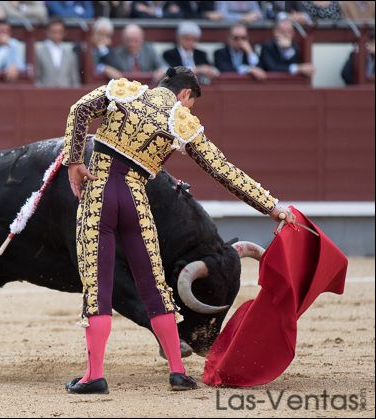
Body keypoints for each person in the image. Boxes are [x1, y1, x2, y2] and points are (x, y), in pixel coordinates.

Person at [61, 66, 295, 394]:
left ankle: (94, 375)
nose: (188, 109)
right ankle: (177, 371)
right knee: (154, 283)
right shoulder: (181, 120)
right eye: (190, 104)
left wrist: (73, 161)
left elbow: (79, 110)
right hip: (136, 200)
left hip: (98, 193)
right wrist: (271, 206)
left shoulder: (126, 91)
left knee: (98, 283)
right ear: (185, 94)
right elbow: (222, 169)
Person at [36, 19, 80, 87]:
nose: (57, 35)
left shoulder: (70, 54)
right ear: (47, 32)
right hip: (45, 94)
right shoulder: (39, 52)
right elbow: (36, 78)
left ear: (64, 33)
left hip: (66, 94)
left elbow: (74, 79)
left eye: (60, 32)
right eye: (54, 32)